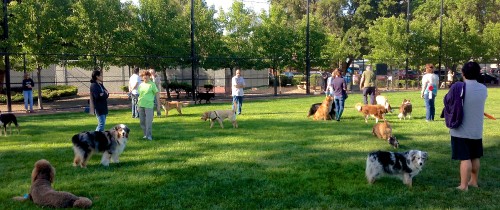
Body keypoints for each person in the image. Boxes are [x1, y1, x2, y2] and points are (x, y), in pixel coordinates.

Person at [449, 61, 487, 191]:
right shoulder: (483, 88)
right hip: (477, 129)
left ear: (463, 73)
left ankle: (463, 185)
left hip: (461, 129)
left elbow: (448, 100)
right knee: (475, 156)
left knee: (465, 158)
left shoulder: (458, 87)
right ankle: (474, 182)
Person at [137, 70, 158, 140]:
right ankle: (145, 134)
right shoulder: (140, 85)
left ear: (149, 76)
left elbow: (157, 94)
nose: (145, 77)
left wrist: (158, 105)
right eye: (144, 75)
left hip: (149, 105)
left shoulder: (152, 84)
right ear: (142, 77)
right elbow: (140, 95)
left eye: (147, 75)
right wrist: (138, 105)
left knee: (148, 121)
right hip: (141, 105)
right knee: (142, 122)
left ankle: (149, 136)